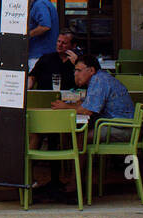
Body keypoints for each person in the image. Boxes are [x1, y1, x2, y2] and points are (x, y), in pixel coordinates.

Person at [39, 56, 135, 202]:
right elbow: (89, 106)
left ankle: (75, 184)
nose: (75, 74)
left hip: (122, 128)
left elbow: (87, 111)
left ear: (91, 70)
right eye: (75, 70)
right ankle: (75, 181)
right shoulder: (100, 79)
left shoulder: (98, 80)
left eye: (79, 70)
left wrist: (65, 106)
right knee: (81, 135)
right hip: (117, 125)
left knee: (82, 138)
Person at [28, 0, 59, 64]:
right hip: (45, 53)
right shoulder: (45, 3)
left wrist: (27, 36)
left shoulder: (39, 4)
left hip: (39, 55)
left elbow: (45, 26)